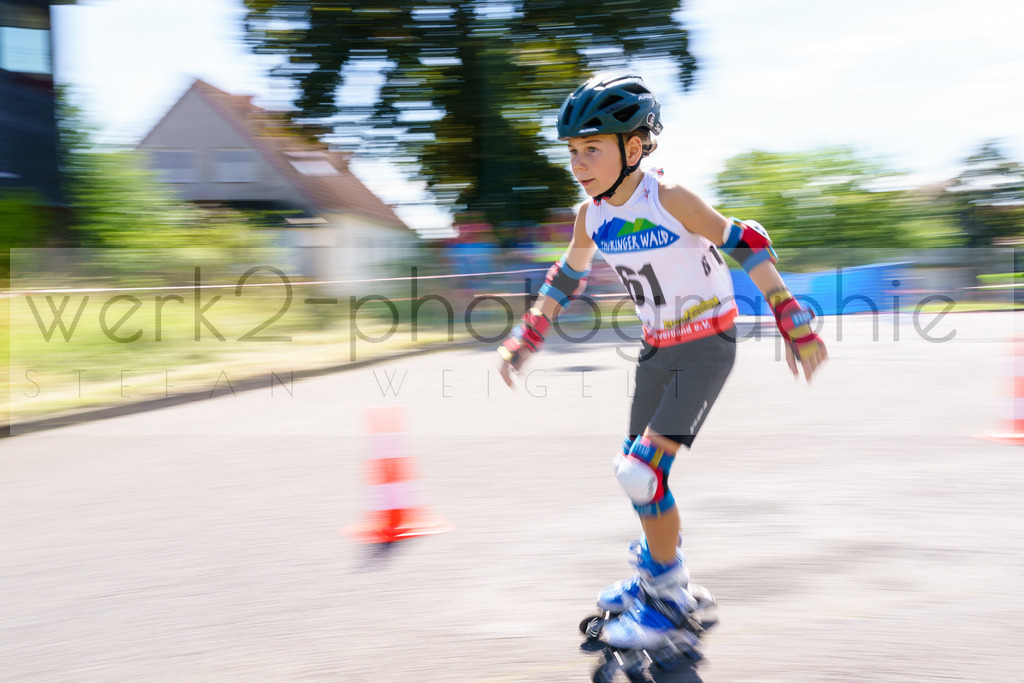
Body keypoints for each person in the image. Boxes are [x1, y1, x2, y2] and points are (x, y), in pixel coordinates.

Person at [497, 73, 827, 651]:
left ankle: (670, 600)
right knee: (636, 472)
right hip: (656, 349)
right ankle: (660, 574)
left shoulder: (669, 198)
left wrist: (791, 318)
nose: (578, 162)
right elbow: (567, 274)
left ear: (634, 146)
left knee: (641, 473)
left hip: (705, 347)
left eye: (591, 148)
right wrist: (529, 333)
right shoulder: (590, 216)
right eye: (572, 151)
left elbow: (745, 241)